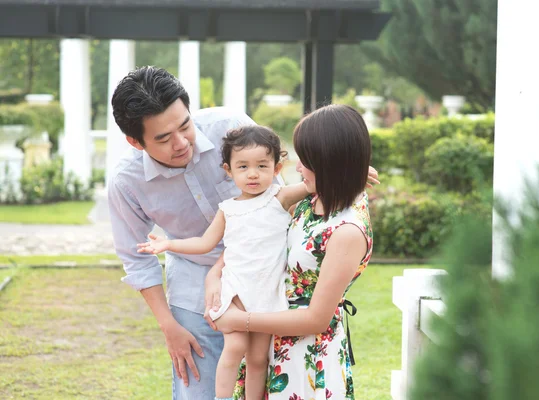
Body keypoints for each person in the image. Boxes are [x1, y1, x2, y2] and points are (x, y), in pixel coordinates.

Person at [107, 66, 279, 399]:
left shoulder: (230, 127)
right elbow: (136, 259)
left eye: (185, 126)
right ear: (134, 141)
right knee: (198, 391)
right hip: (193, 288)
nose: (181, 142)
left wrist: (342, 174)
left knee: (273, 381)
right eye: (162, 138)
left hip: (263, 276)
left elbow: (276, 200)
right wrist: (169, 327)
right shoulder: (125, 182)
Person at [208, 104, 374, 399]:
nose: (297, 168)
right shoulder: (314, 200)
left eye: (306, 160)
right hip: (271, 343)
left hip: (306, 357)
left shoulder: (347, 230)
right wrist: (214, 275)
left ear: (329, 162)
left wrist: (240, 321)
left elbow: (316, 319)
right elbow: (257, 242)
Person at [136, 125, 309, 400]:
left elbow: (317, 183)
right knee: (235, 346)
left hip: (268, 291)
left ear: (277, 169)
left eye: (262, 166)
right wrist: (168, 244)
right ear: (229, 171)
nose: (253, 174)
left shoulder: (280, 197)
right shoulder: (228, 209)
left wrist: (356, 172)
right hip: (236, 289)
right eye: (243, 167)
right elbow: (204, 243)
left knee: (257, 357)